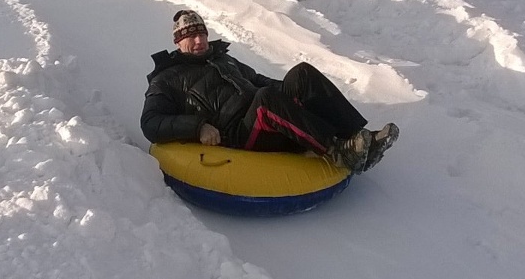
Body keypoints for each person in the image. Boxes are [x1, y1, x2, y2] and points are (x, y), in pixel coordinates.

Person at [142, 9, 399, 173]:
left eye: (202, 34)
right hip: (238, 134)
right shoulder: (167, 79)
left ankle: (359, 137)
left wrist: (293, 93)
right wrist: (197, 126)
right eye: (190, 36)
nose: (199, 41)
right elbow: (150, 123)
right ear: (178, 41)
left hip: (262, 113)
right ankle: (339, 152)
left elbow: (257, 79)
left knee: (301, 73)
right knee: (265, 100)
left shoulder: (222, 59)